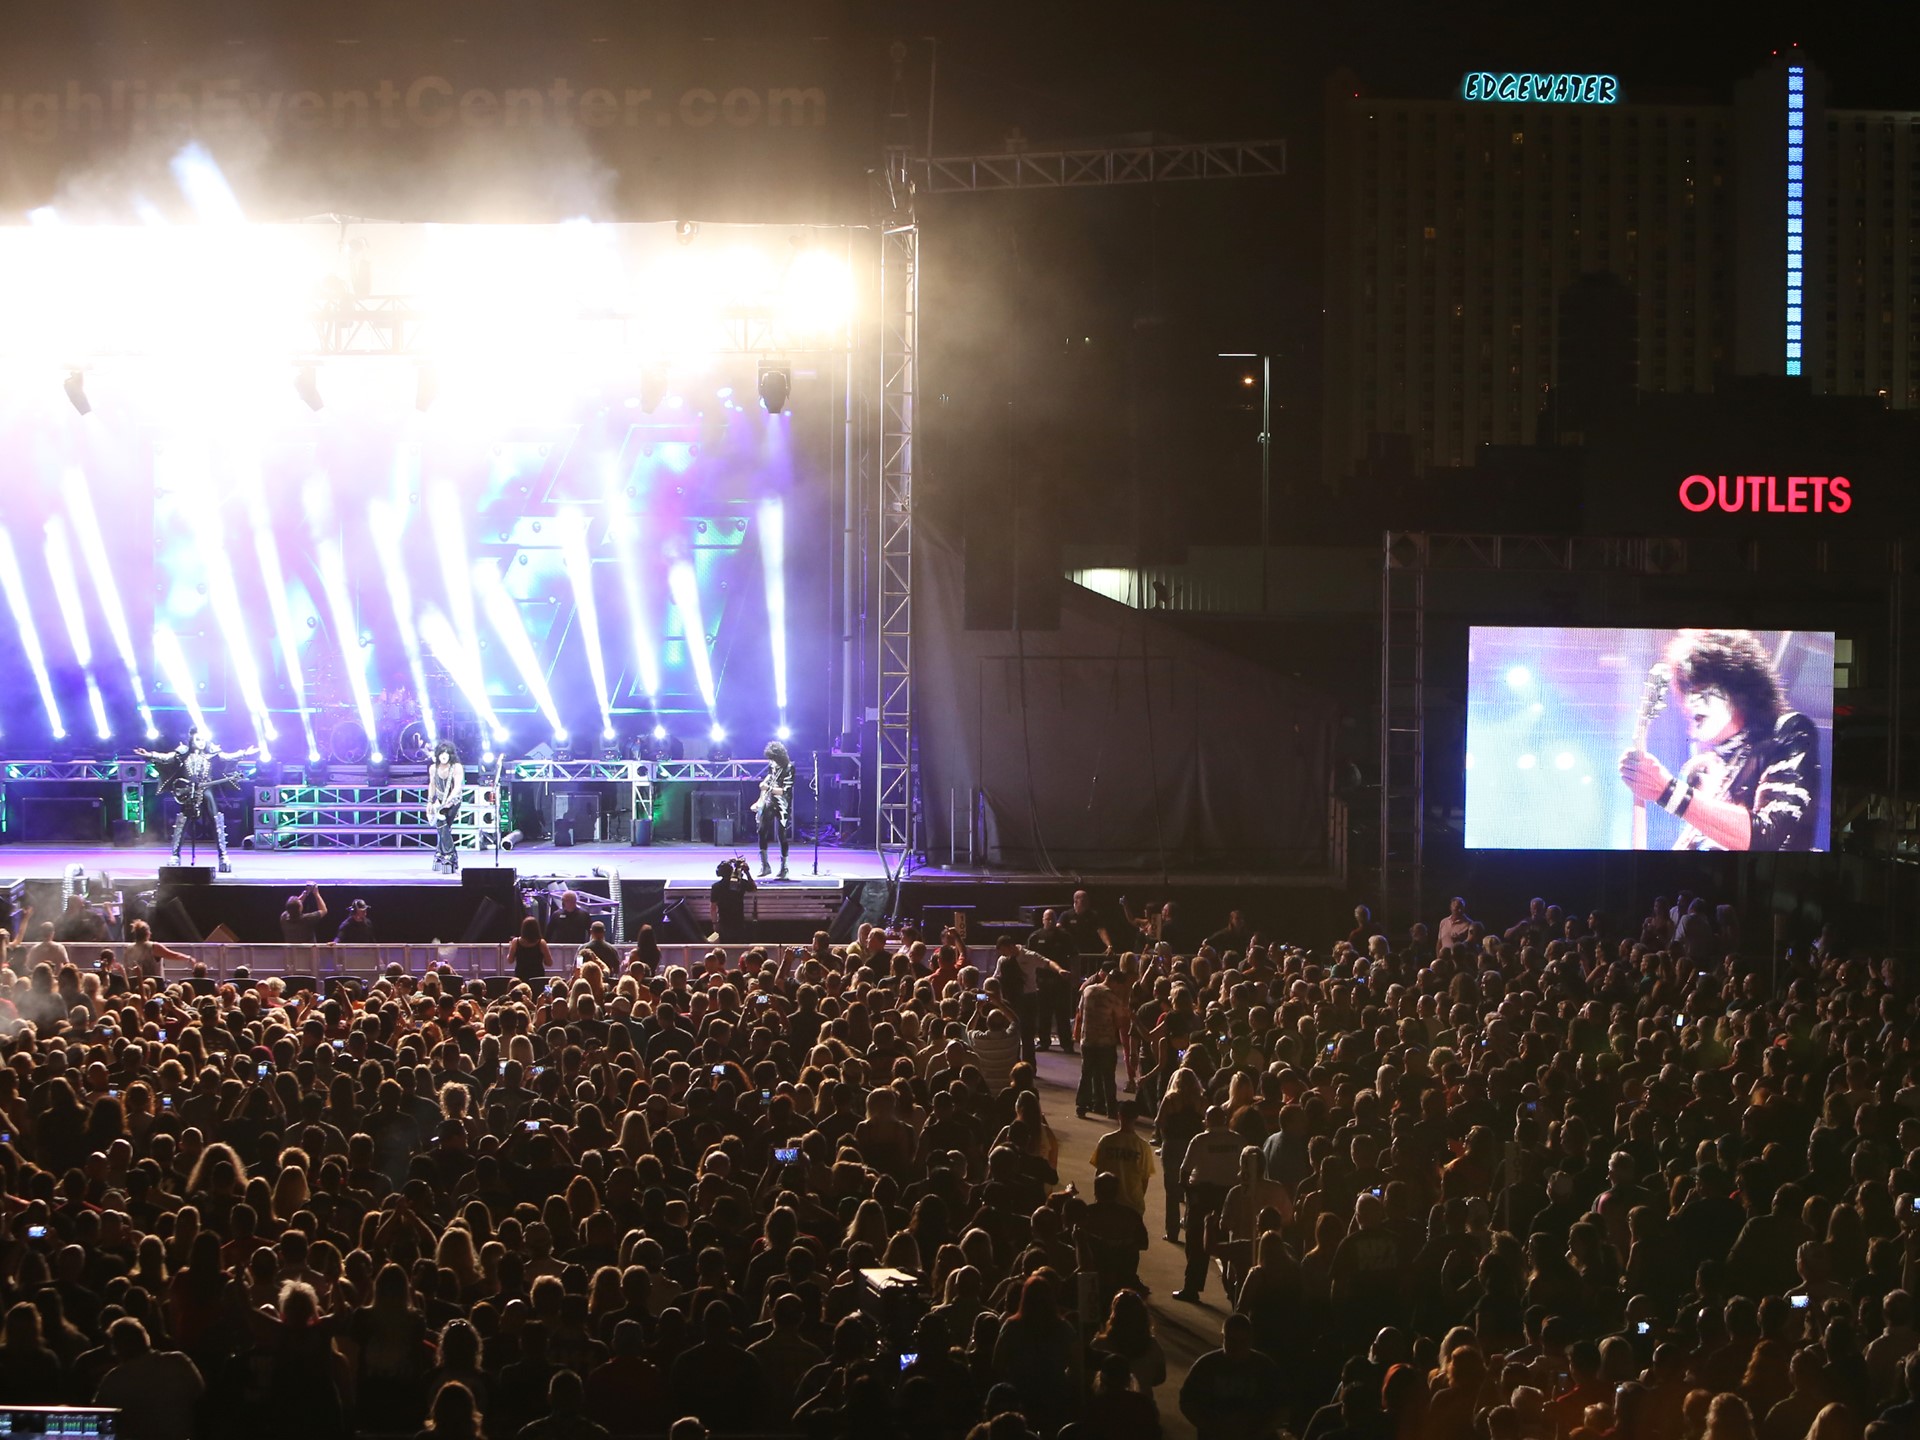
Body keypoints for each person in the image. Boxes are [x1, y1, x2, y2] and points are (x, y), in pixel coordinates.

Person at [1617, 628, 1824, 851]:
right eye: (1686, 691)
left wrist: (1666, 790)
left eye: (1701, 689)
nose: (1691, 701)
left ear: (1738, 688)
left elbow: (1767, 836)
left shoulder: (1788, 732)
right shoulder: (1707, 768)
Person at [136, 729, 257, 872]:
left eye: (203, 739)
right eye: (198, 739)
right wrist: (150, 755)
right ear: (192, 741)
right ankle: (175, 855)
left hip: (206, 790)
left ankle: (223, 856)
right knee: (183, 821)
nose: (201, 743)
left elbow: (228, 757)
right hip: (189, 791)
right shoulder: (183, 753)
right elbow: (167, 757)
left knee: (216, 821)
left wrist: (244, 753)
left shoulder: (212, 753)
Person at [1174, 1105, 1244, 1303]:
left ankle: (1192, 1288)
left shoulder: (1200, 1140)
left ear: (1207, 1120)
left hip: (1203, 1196)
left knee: (1196, 1243)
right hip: (1229, 1195)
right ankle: (1234, 1289)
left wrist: (1188, 1195)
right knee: (1228, 1244)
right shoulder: (1238, 1140)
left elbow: (1184, 1171)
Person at [93, 1317, 206, 1440]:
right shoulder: (179, 1362)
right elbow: (201, 1398)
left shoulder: (113, 1380)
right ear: (145, 1338)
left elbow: (100, 1424)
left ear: (116, 1347)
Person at [1179, 1312, 1285, 1440]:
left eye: (1242, 1342)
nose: (1236, 1347)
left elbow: (1282, 1407)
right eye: (1231, 1341)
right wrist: (1212, 1429)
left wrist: (1260, 1433)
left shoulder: (1265, 1367)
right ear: (1223, 1338)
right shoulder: (1206, 1365)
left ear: (1251, 1340)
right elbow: (1188, 1403)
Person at [1074, 965, 1126, 1120]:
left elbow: (1080, 1012)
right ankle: (1111, 1108)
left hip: (1087, 1039)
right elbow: (1120, 1021)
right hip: (1105, 1041)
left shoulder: (1088, 990)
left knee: (1086, 1073)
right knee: (1108, 1076)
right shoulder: (1112, 997)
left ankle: (1081, 1106)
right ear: (1115, 983)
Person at [1091, 1101, 1157, 1217]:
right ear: (1136, 1117)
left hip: (1108, 1200)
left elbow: (1099, 1171)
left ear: (1119, 1115)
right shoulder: (1143, 1146)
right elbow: (1145, 1178)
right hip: (1132, 1203)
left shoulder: (1106, 1140)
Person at [753, 740, 796, 881]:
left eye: (772, 759)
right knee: (761, 830)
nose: (771, 762)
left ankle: (784, 867)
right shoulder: (772, 767)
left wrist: (768, 788)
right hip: (769, 801)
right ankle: (765, 865)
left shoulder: (789, 768)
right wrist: (761, 797)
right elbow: (768, 780)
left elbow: (785, 790)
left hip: (783, 803)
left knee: (782, 834)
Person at [426, 742, 464, 875]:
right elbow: (432, 785)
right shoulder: (433, 768)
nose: (444, 756)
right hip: (439, 800)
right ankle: (448, 854)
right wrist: (430, 801)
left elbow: (458, 785)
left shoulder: (456, 767)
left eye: (446, 754)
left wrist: (450, 799)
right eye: (441, 753)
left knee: (444, 826)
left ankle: (443, 853)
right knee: (442, 825)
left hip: (454, 801)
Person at [709, 860, 755, 944]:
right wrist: (747, 872)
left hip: (724, 923)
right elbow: (753, 888)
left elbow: (713, 908)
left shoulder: (716, 887)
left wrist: (714, 923)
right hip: (739, 922)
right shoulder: (740, 884)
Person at [512, 916, 553, 984]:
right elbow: (549, 963)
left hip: (520, 978)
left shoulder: (515, 942)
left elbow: (510, 960)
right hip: (537, 978)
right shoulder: (541, 943)